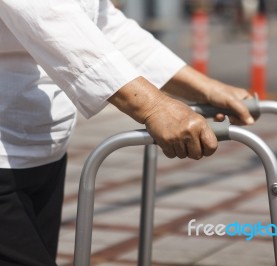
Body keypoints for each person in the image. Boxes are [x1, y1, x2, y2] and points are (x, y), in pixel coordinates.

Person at [0, 0, 255, 265]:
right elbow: (48, 15)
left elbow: (104, 26)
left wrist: (206, 88)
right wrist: (154, 106)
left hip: (41, 151)